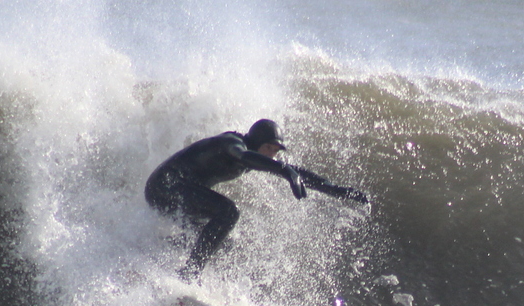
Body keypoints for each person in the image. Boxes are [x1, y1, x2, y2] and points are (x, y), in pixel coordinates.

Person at [145, 118, 368, 280]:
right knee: (228, 212)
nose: (272, 154)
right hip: (165, 186)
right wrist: (285, 171)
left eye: (276, 150)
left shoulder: (258, 157)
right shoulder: (232, 144)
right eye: (268, 147)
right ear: (257, 141)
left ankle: (161, 264)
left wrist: (338, 190)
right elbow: (244, 156)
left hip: (180, 193)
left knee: (223, 241)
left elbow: (302, 174)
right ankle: (189, 275)